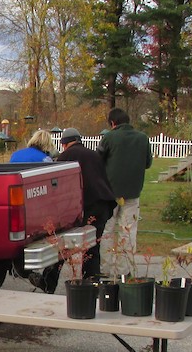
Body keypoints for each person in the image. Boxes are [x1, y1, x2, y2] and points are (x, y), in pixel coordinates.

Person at [55, 128, 116, 279]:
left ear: (64, 144)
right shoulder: (94, 155)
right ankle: (91, 283)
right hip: (103, 204)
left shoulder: (65, 156)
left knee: (63, 246)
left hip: (84, 206)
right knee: (92, 247)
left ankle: (48, 283)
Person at [97, 107, 152, 256]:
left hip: (109, 193)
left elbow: (98, 161)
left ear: (113, 123)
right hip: (133, 191)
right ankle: (125, 269)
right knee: (128, 230)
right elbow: (148, 163)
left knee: (107, 230)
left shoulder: (109, 137)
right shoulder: (142, 138)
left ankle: (105, 268)